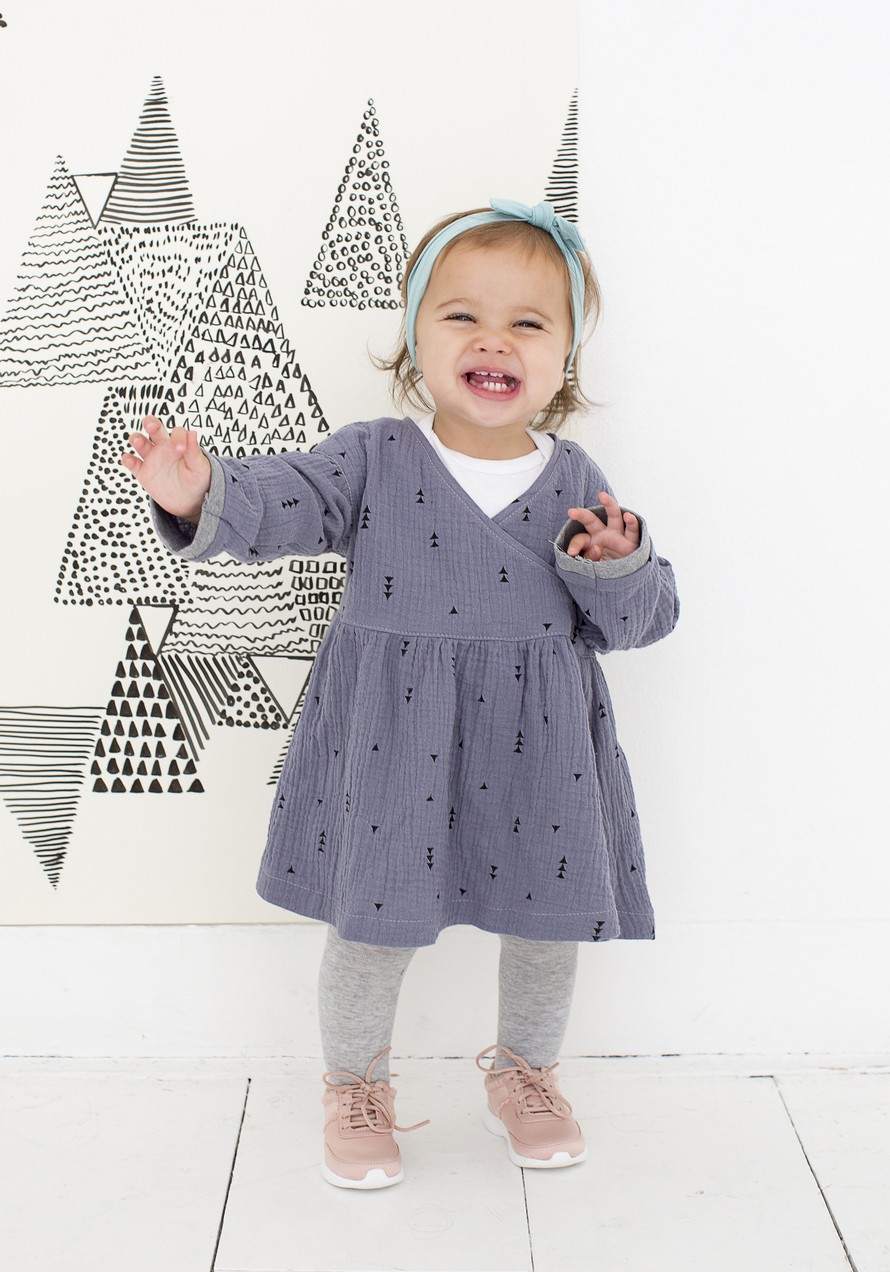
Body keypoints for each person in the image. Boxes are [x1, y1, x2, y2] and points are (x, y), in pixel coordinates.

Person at [121, 198, 680, 1191]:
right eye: (461, 315)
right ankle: (355, 1086)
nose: (492, 340)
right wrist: (199, 493)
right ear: (416, 338)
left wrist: (616, 564)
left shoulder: (575, 477)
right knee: (371, 923)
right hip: (395, 735)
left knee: (546, 921)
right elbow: (286, 503)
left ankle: (524, 1075)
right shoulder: (373, 457)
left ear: (564, 358)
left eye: (527, 322)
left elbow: (635, 624)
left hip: (538, 739)